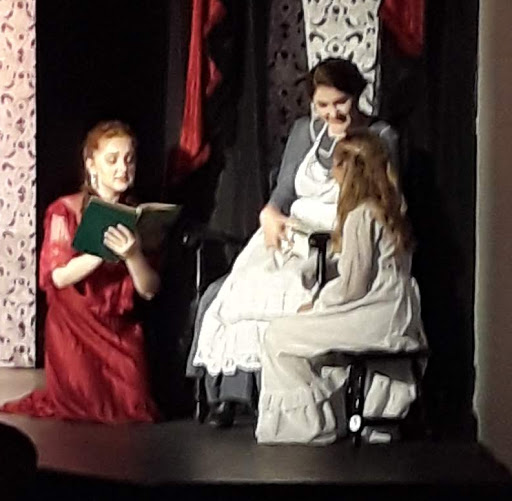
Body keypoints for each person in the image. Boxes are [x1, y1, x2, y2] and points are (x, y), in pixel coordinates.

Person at [187, 58, 399, 427]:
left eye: (341, 102)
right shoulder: (305, 132)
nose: (333, 113)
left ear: (357, 95)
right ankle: (230, 395)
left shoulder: (380, 137)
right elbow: (283, 193)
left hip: (339, 240)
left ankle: (282, 400)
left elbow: (384, 200)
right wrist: (269, 213)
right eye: (323, 105)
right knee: (238, 290)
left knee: (289, 288)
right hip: (290, 231)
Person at [255, 131, 427, 445]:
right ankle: (327, 413)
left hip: (373, 317)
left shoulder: (361, 215)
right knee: (306, 342)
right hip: (397, 313)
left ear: (350, 169)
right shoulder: (392, 211)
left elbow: (354, 286)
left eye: (336, 165)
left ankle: (310, 423)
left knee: (278, 335)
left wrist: (319, 302)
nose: (332, 173)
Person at [0, 120, 161, 423]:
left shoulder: (139, 216)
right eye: (112, 160)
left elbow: (149, 289)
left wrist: (132, 255)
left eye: (129, 159)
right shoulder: (65, 211)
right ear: (91, 164)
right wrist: (101, 252)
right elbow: (58, 276)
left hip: (118, 326)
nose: (122, 168)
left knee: (135, 405)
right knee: (87, 403)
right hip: (75, 325)